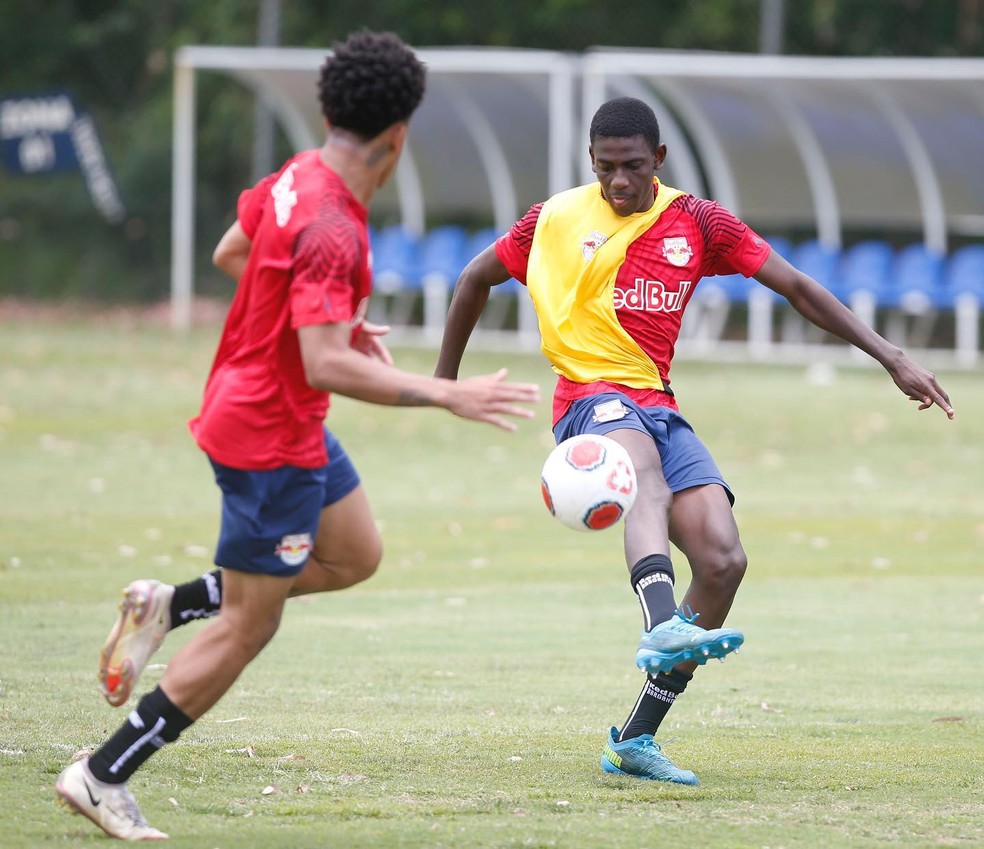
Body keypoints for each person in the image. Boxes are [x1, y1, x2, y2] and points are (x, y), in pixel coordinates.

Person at [54, 29, 539, 841]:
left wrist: (337, 317)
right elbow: (323, 364)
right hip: (267, 433)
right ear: (401, 133)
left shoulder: (297, 178)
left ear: (330, 111)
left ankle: (168, 603)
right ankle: (102, 773)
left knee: (355, 554)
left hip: (270, 411)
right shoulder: (333, 224)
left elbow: (231, 250)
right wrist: (442, 391)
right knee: (251, 623)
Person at [433, 96, 954, 786]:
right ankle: (660, 620)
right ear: (592, 161)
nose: (619, 181)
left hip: (661, 403)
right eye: (607, 167)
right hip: (591, 398)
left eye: (634, 167)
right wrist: (444, 383)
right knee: (640, 469)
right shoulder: (553, 219)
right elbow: (473, 278)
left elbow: (795, 286)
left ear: (660, 161)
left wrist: (892, 356)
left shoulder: (697, 222)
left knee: (723, 558)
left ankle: (633, 742)